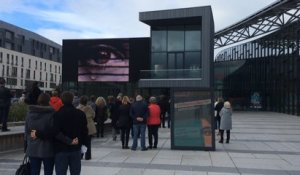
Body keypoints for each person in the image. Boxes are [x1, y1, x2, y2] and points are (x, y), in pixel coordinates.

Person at [53, 91, 88, 175]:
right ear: (72, 100)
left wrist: (68, 141)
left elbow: (55, 132)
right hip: (76, 148)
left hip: (61, 149)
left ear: (61, 100)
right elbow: (85, 132)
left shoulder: (57, 115)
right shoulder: (80, 114)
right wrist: (80, 141)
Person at [25, 93, 56, 175]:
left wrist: (26, 146)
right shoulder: (52, 113)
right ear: (49, 101)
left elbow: (27, 131)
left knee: (34, 171)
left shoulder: (30, 113)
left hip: (33, 147)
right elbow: (53, 131)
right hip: (48, 148)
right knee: (48, 172)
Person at [77, 95, 97, 160]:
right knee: (88, 142)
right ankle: (88, 156)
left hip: (80, 127)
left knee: (81, 142)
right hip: (89, 127)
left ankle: (80, 155)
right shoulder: (89, 108)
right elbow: (94, 115)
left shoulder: (77, 108)